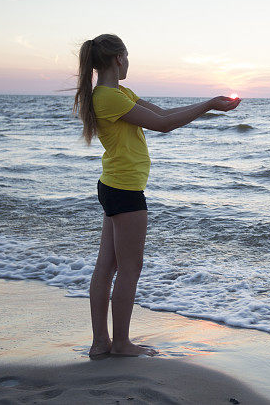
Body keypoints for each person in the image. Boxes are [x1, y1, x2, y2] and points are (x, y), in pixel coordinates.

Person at [73, 34, 241, 357]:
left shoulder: (116, 94)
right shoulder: (109, 97)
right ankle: (119, 343)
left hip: (113, 184)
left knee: (107, 266)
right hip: (124, 190)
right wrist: (209, 105)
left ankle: (100, 343)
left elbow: (161, 112)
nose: (129, 62)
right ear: (119, 59)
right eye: (128, 57)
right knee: (129, 268)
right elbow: (163, 125)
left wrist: (207, 104)